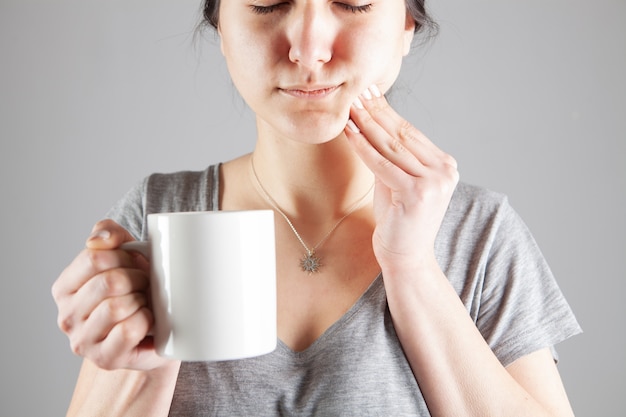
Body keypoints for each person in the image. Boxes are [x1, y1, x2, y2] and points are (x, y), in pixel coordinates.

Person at [52, 0, 581, 415]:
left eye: (352, 3)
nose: (308, 50)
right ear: (220, 27)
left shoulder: (480, 234)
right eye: (266, 4)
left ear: (407, 25)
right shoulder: (156, 214)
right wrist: (134, 355)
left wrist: (413, 267)